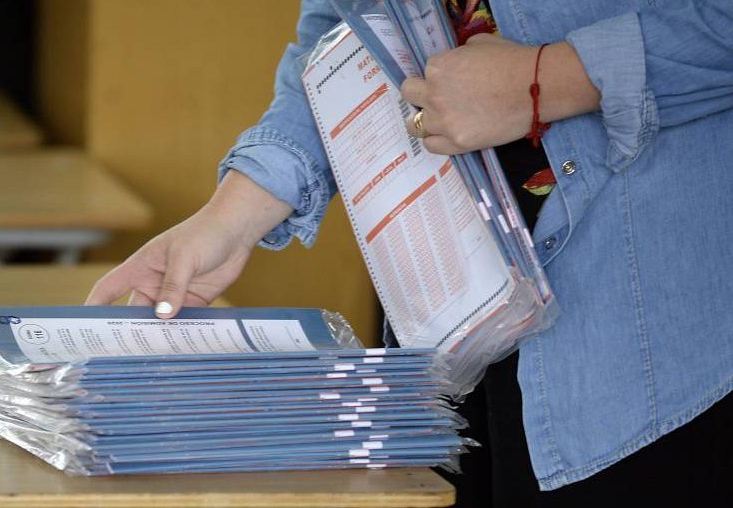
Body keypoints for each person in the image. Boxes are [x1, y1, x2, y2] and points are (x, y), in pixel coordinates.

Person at [87, 0, 732, 505]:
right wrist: (231, 216)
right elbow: (346, 27)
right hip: (443, 325)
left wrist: (548, 79)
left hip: (655, 345)